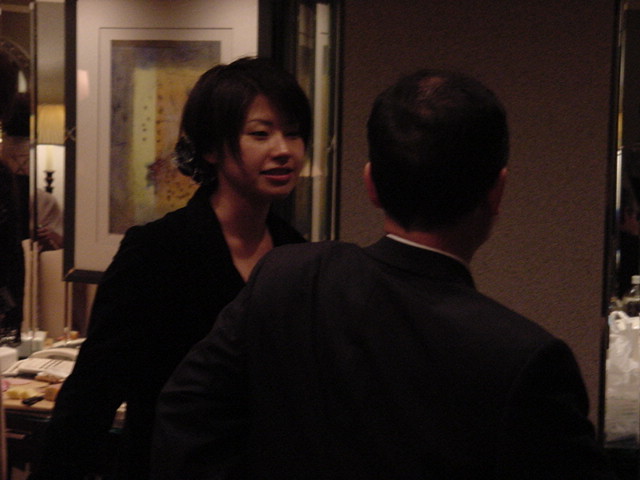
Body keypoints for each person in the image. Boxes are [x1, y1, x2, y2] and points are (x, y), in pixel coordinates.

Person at [152, 69, 618, 479]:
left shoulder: (288, 276)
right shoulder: (526, 359)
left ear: (370, 184)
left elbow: (185, 417)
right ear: (498, 192)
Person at [30, 57, 311, 480]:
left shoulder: (295, 253)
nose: (284, 150)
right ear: (211, 148)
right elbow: (93, 391)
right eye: (260, 133)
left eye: (293, 133)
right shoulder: (157, 251)